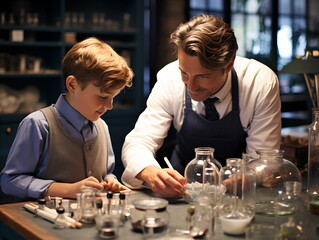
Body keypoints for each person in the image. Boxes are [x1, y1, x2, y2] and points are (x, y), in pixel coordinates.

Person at [121, 14, 281, 198]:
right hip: (181, 188)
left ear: (228, 65)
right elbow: (139, 141)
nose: (190, 86)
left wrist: (250, 175)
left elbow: (265, 159)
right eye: (184, 73)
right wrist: (149, 172)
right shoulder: (169, 78)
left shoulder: (259, 82)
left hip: (238, 193)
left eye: (203, 76)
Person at [0, 37, 133, 200]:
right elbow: (10, 181)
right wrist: (67, 190)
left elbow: (108, 172)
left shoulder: (102, 126)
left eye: (113, 98)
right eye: (102, 97)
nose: (110, 106)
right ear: (72, 85)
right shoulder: (38, 124)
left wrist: (110, 181)